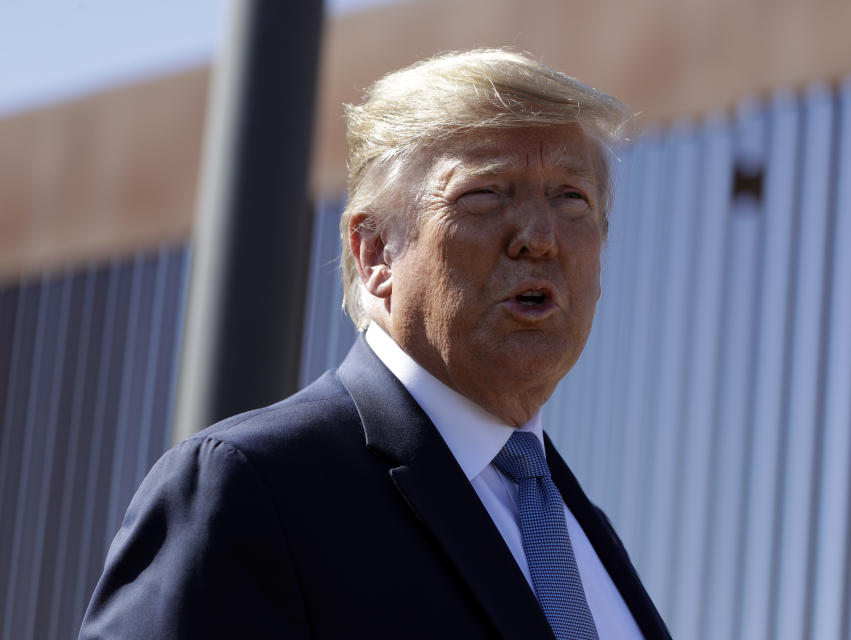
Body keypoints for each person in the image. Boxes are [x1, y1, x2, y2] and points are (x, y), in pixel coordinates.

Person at [80, 48, 671, 639]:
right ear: (375, 253)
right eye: (486, 193)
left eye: (571, 198)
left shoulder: (584, 532)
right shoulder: (253, 488)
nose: (539, 237)